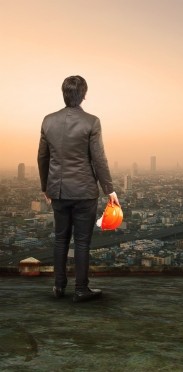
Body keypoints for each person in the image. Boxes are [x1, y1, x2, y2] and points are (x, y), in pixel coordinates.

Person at [37, 75, 119, 302]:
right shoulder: (92, 122)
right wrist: (109, 190)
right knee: (82, 242)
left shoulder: (48, 121)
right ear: (84, 95)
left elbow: (42, 158)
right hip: (84, 192)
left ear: (63, 94)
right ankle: (81, 289)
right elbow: (99, 159)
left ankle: (58, 286)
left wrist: (46, 187)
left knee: (60, 239)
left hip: (59, 191)